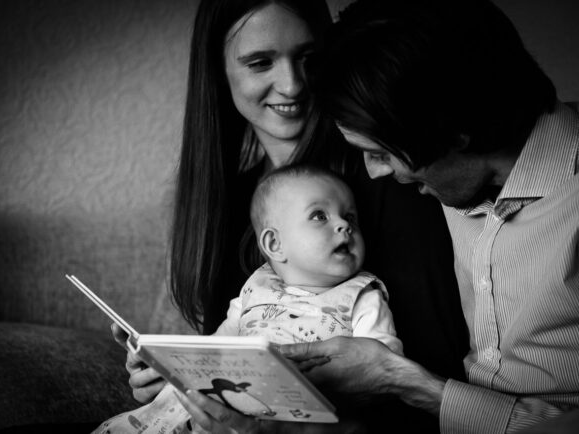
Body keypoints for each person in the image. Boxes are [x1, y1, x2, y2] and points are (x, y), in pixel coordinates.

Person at [175, 0, 579, 433]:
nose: (375, 173)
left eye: (381, 154)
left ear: (456, 134)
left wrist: (397, 378)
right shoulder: (451, 176)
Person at [117, 0, 469, 431]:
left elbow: (430, 386)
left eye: (308, 59)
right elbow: (227, 357)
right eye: (261, 62)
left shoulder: (392, 180)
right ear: (218, 71)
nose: (293, 84)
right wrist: (169, 374)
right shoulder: (225, 204)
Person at [98, 165, 402, 433]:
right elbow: (216, 347)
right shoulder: (255, 287)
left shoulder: (364, 296)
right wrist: (167, 360)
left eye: (350, 216)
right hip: (225, 401)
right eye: (320, 215)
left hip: (295, 421)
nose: (344, 225)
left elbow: (381, 370)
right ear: (274, 243)